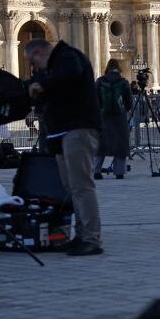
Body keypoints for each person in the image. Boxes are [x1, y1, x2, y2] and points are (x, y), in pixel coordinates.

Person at [24, 39, 104, 256]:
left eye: (33, 62)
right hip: (62, 132)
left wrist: (43, 84)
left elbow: (70, 74)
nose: (35, 69)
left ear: (39, 53)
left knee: (81, 186)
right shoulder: (54, 68)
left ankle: (91, 239)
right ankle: (80, 235)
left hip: (78, 128)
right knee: (71, 188)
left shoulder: (68, 56)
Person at [94, 59, 132, 179]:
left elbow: (95, 99)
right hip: (119, 117)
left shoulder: (100, 81)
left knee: (101, 144)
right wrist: (124, 109)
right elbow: (129, 102)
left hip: (103, 116)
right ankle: (119, 172)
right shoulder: (123, 82)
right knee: (120, 144)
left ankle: (97, 171)